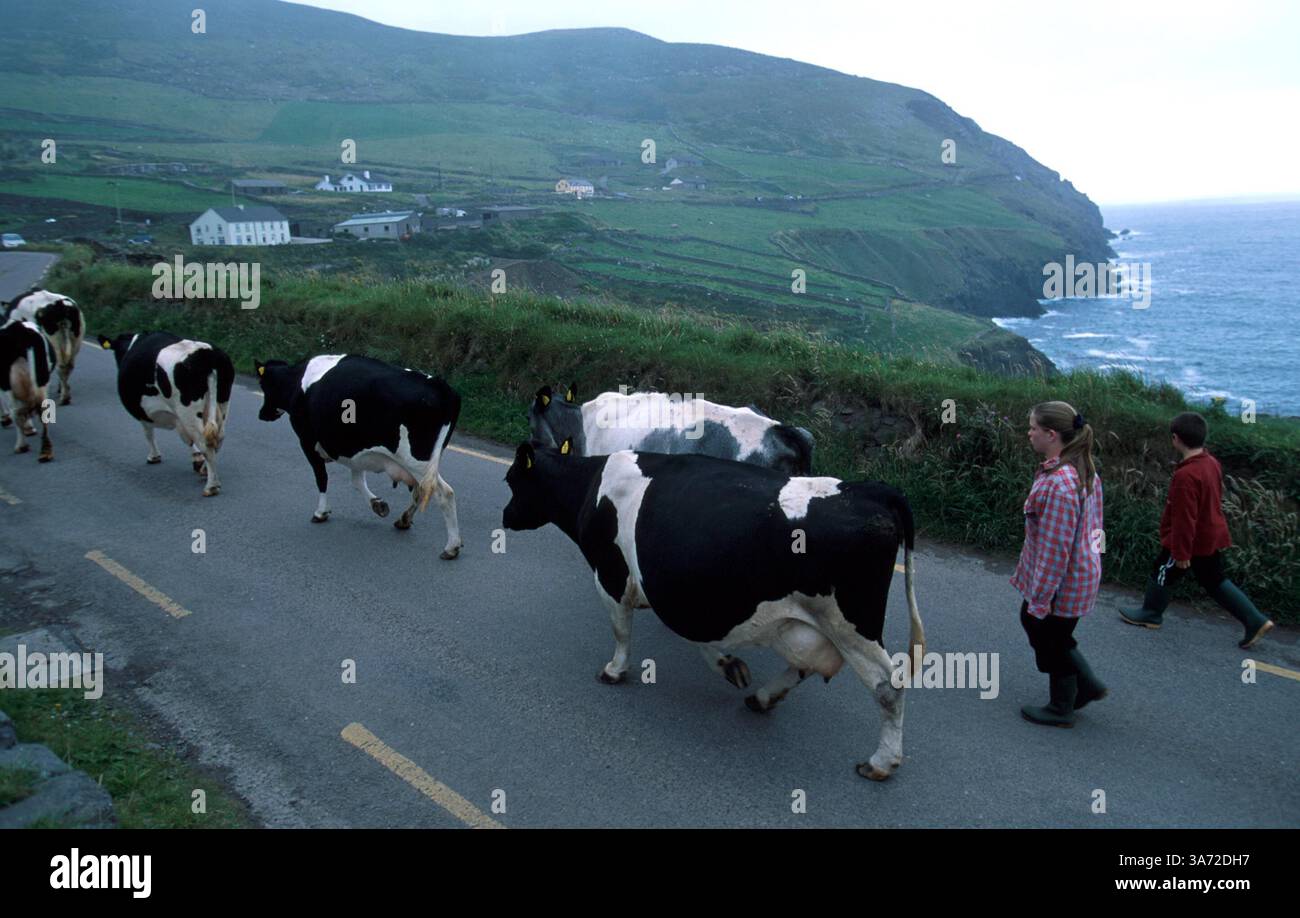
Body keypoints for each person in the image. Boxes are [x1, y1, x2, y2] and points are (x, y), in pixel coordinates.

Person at [1119, 412, 1273, 649]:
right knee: (1214, 579)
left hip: (1189, 540)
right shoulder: (1211, 463)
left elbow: (1184, 519)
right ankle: (1254, 619)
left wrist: (1181, 553)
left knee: (1162, 569)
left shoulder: (1186, 475)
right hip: (1210, 534)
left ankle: (1150, 613)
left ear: (1175, 439)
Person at [1011, 401, 1107, 727]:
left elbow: (1055, 552)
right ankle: (1087, 685)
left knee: (1044, 631)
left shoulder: (1059, 485)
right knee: (1057, 636)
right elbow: (1096, 527)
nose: (1029, 433)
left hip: (1064, 581)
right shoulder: (1083, 469)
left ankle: (1062, 706)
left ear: (1051, 434)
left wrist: (1041, 599)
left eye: (1033, 428)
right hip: (1083, 574)